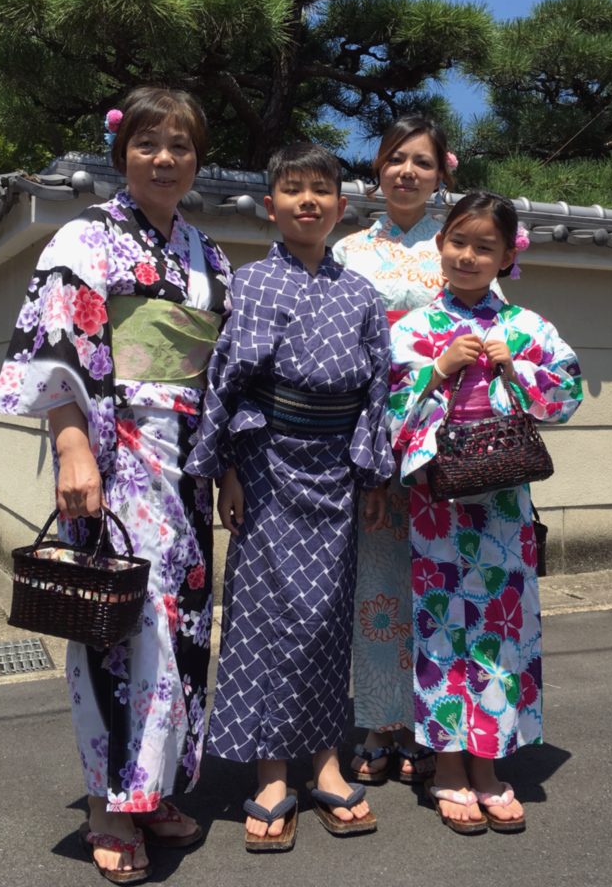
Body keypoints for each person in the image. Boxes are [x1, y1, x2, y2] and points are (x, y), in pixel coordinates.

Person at [0, 87, 233, 883]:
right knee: (120, 625)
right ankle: (108, 803)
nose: (164, 159)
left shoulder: (209, 255)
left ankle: (152, 788)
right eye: (147, 144)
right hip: (117, 453)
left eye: (180, 146)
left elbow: (221, 372)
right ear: (121, 152)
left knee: (183, 626)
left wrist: (227, 464)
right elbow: (57, 346)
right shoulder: (85, 238)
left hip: (187, 464)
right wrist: (72, 448)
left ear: (197, 159)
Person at [186, 143, 395, 851]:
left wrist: (372, 474)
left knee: (326, 619)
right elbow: (228, 380)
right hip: (268, 467)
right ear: (270, 204)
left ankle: (325, 760)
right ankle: (271, 772)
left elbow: (378, 390)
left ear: (341, 206)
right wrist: (228, 469)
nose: (308, 200)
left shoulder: (361, 294)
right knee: (264, 616)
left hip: (335, 470)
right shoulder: (249, 283)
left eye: (321, 190)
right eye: (293, 189)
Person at [387, 191, 583, 834]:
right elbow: (383, 411)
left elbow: (568, 393)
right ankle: (446, 765)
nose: (468, 256)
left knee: (500, 629)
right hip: (437, 505)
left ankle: (488, 761)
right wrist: (435, 371)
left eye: (485, 247)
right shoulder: (413, 329)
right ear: (440, 245)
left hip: (502, 502)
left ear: (506, 258)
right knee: (440, 629)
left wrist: (517, 368)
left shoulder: (529, 327)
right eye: (458, 242)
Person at [332, 116, 456, 784]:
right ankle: (380, 721)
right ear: (378, 170)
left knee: (434, 579)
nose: (408, 171)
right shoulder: (349, 250)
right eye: (395, 159)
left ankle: (430, 720)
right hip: (369, 428)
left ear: (441, 175)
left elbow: (487, 326)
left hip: (440, 435)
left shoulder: (457, 246)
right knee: (376, 581)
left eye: (422, 162)